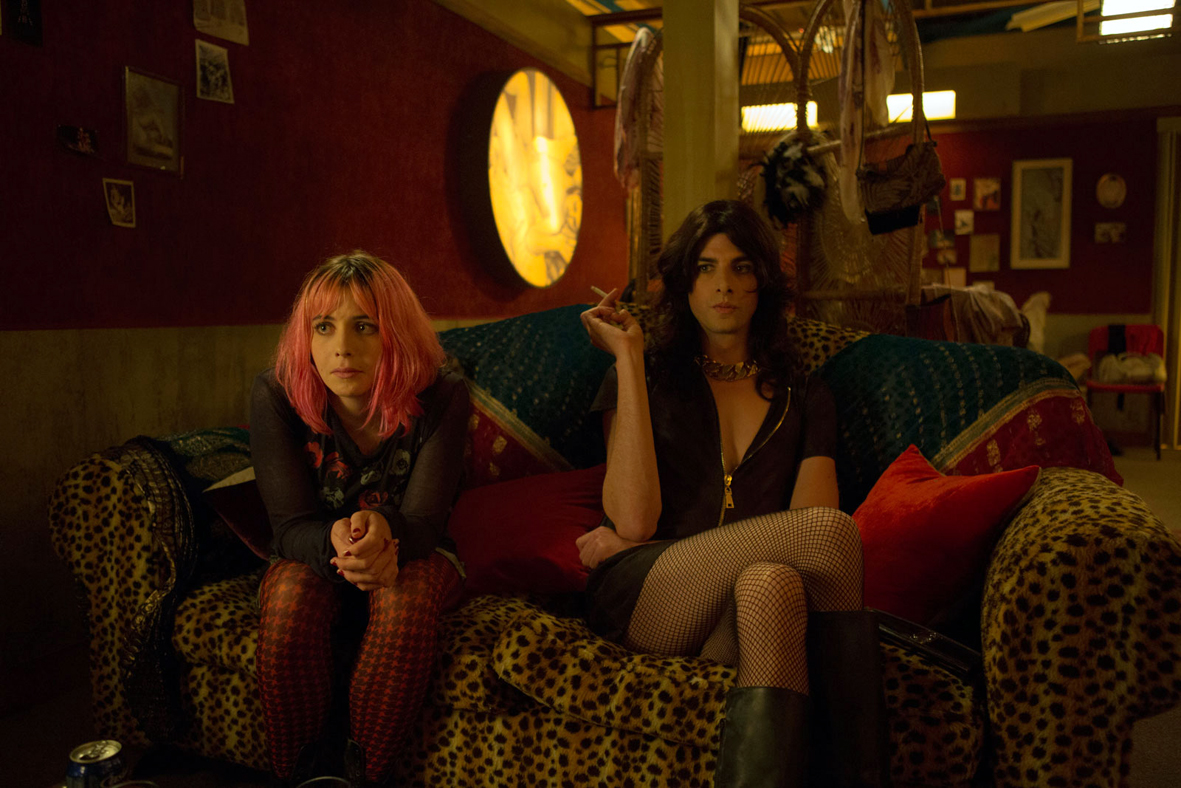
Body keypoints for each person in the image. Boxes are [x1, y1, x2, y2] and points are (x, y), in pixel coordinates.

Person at [578, 201, 889, 788]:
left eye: (741, 267)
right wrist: (629, 357)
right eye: (705, 267)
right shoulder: (645, 376)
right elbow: (634, 520)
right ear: (684, 284)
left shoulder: (805, 396)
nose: (723, 284)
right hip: (649, 598)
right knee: (831, 532)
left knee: (772, 583)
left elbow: (810, 548)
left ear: (762, 282)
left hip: (738, 612)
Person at [251, 252, 469, 787]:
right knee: (288, 601)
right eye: (323, 327)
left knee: (403, 602)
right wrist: (337, 538)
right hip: (313, 547)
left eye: (364, 326)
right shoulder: (276, 393)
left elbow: (424, 522)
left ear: (395, 333)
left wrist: (385, 532)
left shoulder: (443, 392)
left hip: (413, 547)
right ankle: (299, 775)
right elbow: (288, 527)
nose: (342, 347)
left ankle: (364, 773)